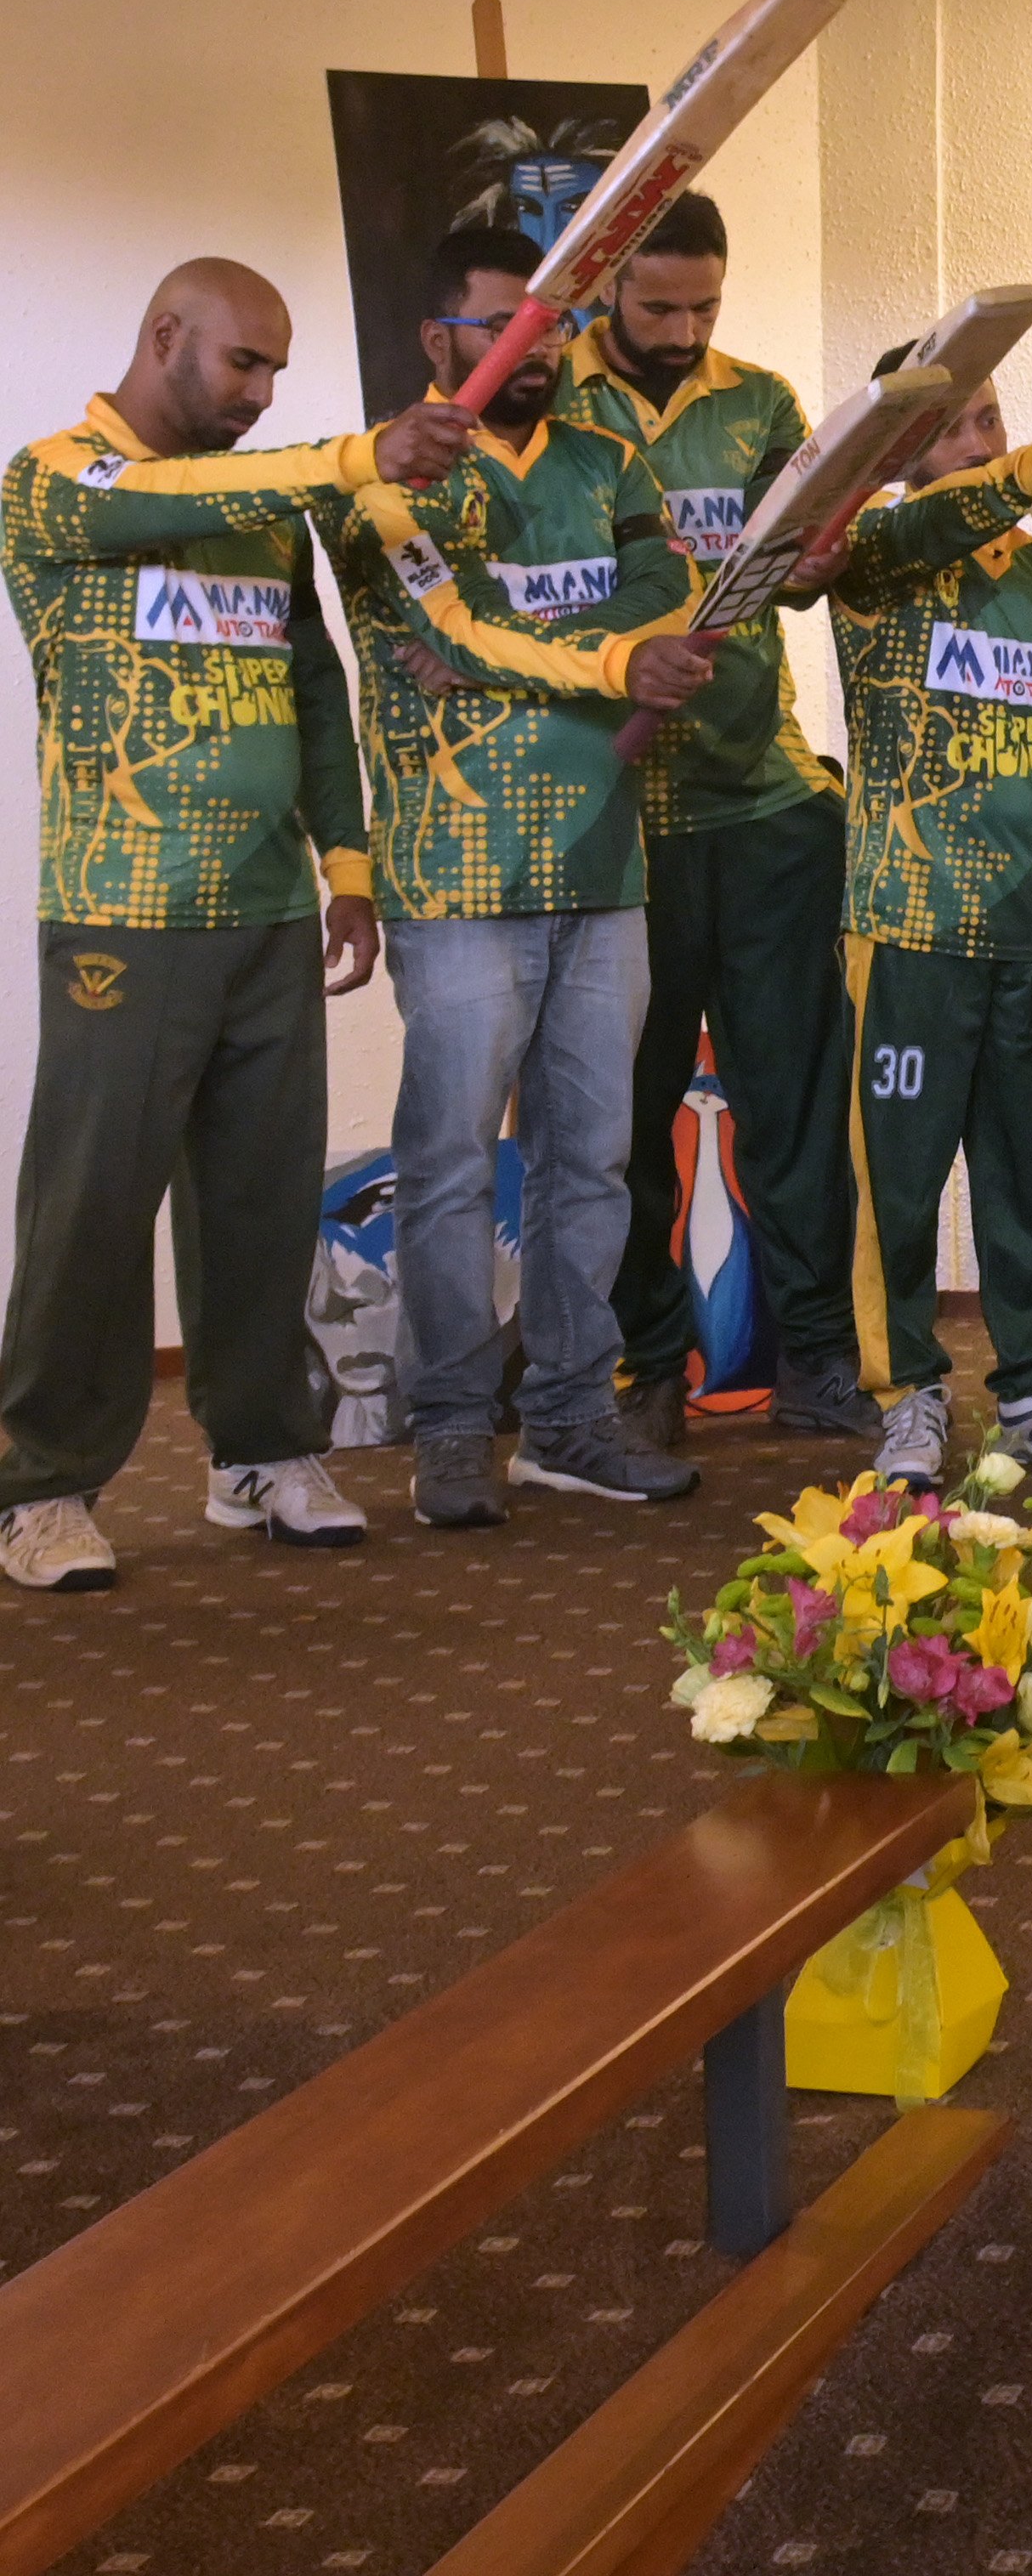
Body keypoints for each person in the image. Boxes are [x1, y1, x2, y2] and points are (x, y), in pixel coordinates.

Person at [0, 261, 468, 1589]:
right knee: (90, 1205)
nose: (261, 395)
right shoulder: (57, 478)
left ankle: (258, 1451)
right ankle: (41, 1484)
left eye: (277, 370)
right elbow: (160, 496)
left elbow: (317, 696)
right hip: (121, 914)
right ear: (163, 336)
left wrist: (350, 869)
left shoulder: (269, 518)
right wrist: (353, 453)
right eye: (241, 365)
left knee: (260, 1203)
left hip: (267, 910)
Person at [320, 224, 716, 1529]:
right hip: (452, 878)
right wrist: (582, 647)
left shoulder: (612, 460)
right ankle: (447, 1429)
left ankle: (566, 1421)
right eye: (501, 326)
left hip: (605, 870)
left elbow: (675, 606)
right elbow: (436, 628)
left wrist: (520, 640)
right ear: (439, 336)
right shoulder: (382, 479)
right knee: (444, 1166)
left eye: (546, 324)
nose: (529, 349)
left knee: (593, 1163)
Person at [559, 192, 872, 1450]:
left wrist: (820, 557)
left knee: (792, 1109)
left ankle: (820, 1367)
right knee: (621, 1121)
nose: (684, 330)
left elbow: (812, 549)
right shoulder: (556, 411)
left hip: (766, 805)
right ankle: (647, 1372)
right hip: (612, 816)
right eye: (657, 307)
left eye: (705, 306)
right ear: (601, 295)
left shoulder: (763, 402)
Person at [817, 362, 1032, 1488]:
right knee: (897, 1185)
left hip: (1031, 938)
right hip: (904, 932)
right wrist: (1009, 474)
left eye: (990, 419)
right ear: (900, 453)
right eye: (947, 429)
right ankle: (907, 1394)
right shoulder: (870, 559)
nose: (978, 440)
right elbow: (932, 524)